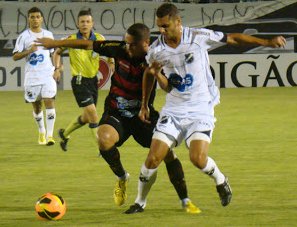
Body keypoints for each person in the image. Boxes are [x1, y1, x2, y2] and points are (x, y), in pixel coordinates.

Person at [125, 3, 286, 214]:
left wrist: (267, 41)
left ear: (178, 22)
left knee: (197, 159)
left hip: (201, 107)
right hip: (174, 108)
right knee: (153, 157)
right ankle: (140, 202)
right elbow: (163, 84)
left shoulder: (198, 36)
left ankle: (221, 180)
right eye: (159, 27)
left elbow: (234, 38)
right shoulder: (156, 50)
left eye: (165, 26)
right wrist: (148, 96)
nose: (162, 31)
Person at [36, 23, 200, 214]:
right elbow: (87, 44)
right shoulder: (120, 49)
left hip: (144, 115)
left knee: (167, 154)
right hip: (116, 113)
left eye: (132, 45)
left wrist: (162, 76)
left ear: (145, 44)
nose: (127, 47)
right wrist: (55, 42)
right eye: (126, 43)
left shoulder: (156, 58)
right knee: (103, 139)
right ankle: (122, 177)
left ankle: (185, 199)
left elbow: (168, 85)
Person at [53, 9, 113, 151]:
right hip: (79, 80)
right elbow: (57, 52)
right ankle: (101, 147)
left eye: (87, 21)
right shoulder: (72, 39)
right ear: (78, 24)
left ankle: (64, 134)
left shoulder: (99, 39)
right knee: (93, 113)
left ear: (92, 23)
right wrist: (57, 68)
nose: (85, 24)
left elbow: (111, 52)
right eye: (82, 22)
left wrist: (111, 62)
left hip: (93, 81)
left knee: (87, 117)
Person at [13, 7, 57, 146]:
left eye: (38, 16)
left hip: (47, 75)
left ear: (42, 19)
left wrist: (57, 68)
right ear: (28, 19)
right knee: (37, 107)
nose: (35, 19)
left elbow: (54, 53)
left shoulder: (48, 35)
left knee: (49, 101)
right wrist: (28, 51)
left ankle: (50, 136)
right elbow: (15, 56)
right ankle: (42, 131)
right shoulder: (23, 36)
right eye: (32, 17)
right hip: (32, 78)